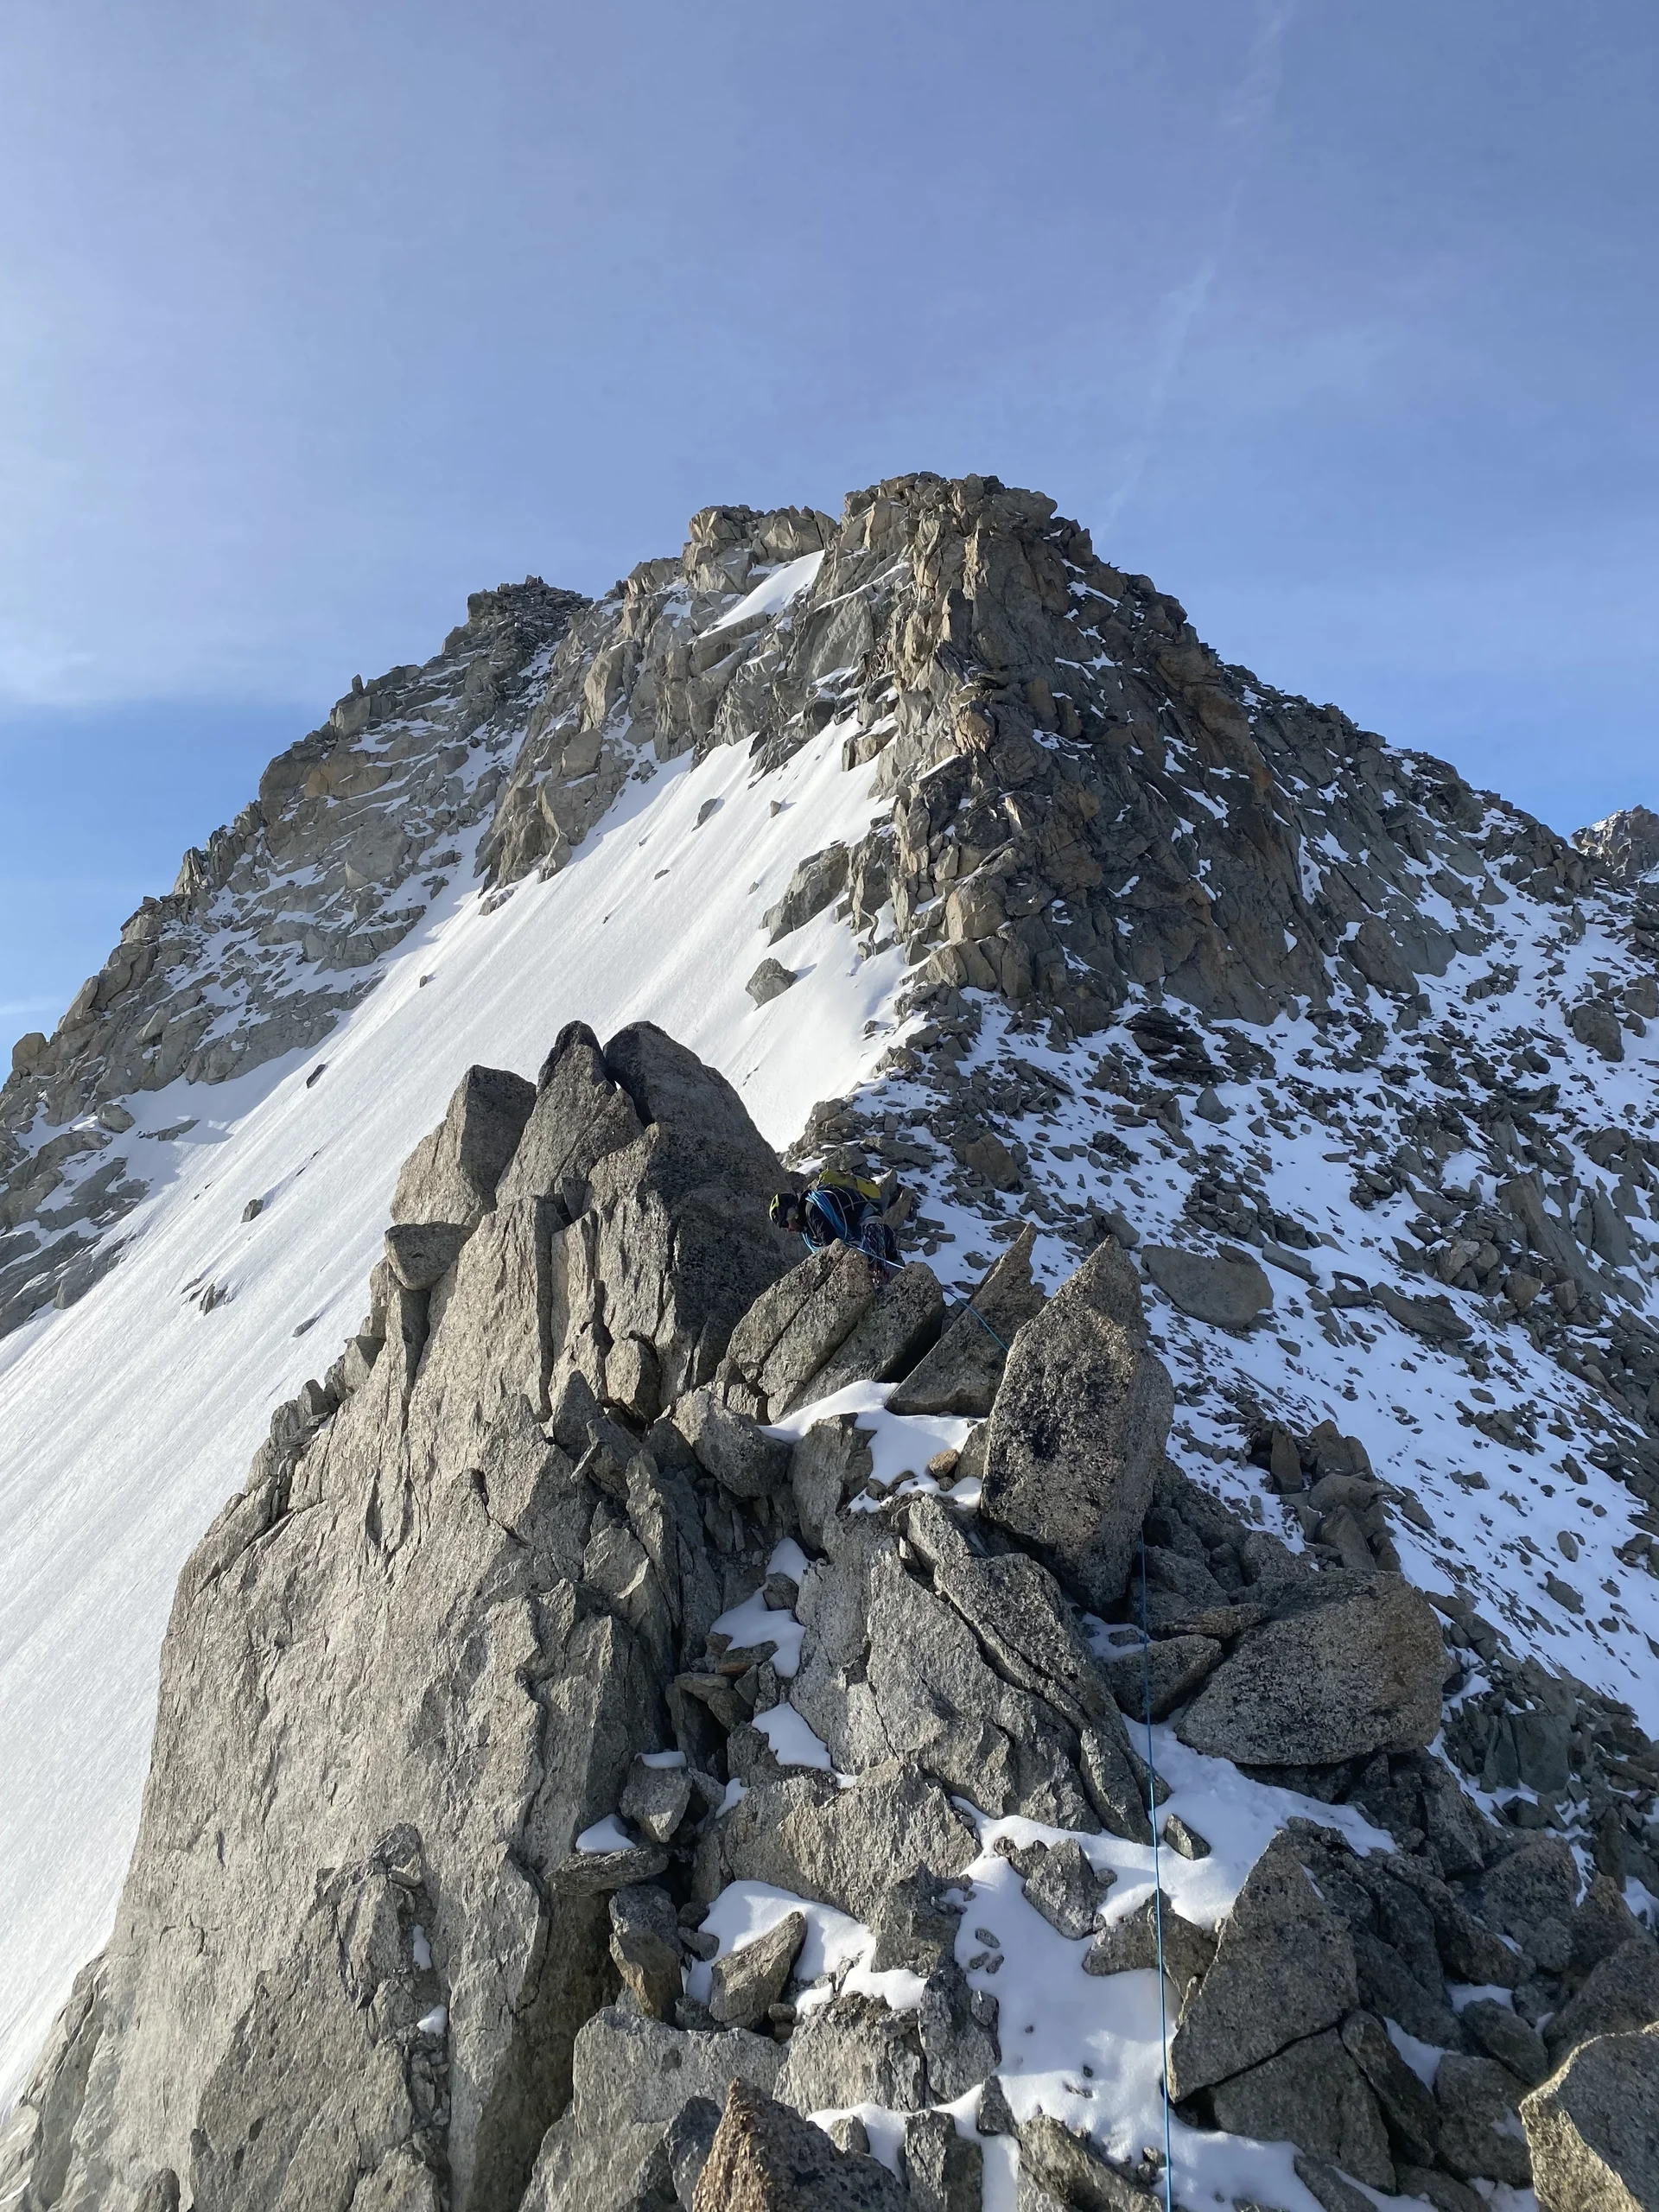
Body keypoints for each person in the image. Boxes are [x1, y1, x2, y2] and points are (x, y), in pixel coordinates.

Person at [770, 1169, 901, 1283]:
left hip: (866, 1221)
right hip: (860, 1229)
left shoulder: (812, 1210)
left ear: (793, 1213)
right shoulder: (809, 1224)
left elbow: (831, 1247)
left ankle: (897, 1275)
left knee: (873, 1271)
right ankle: (896, 1265)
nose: (787, 1229)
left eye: (785, 1223)